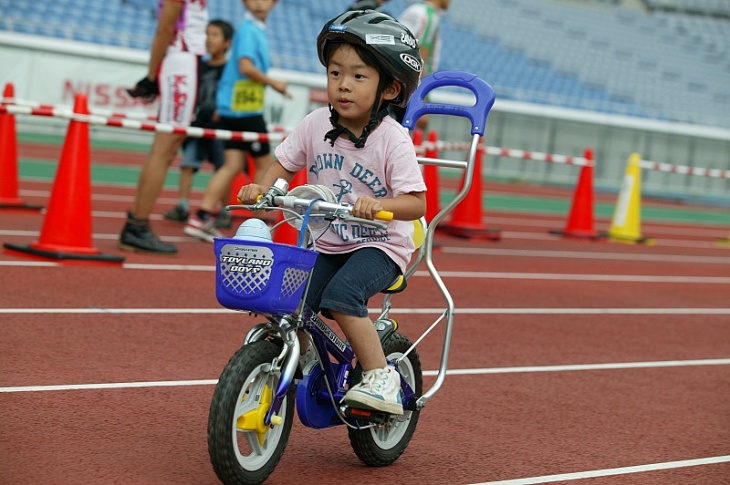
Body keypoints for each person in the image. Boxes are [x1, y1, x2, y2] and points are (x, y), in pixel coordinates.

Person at [237, 10, 426, 415]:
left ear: (389, 89)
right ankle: (299, 358)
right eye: (335, 73)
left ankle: (381, 378)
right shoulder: (315, 123)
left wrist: (381, 205)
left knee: (342, 296)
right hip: (330, 240)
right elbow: (283, 164)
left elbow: (416, 203)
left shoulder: (392, 140)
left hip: (381, 246)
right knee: (294, 299)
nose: (343, 84)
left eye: (359, 76)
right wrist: (263, 188)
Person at [184, 0, 290, 242]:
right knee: (267, 164)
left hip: (236, 109)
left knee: (231, 166)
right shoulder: (249, 29)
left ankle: (201, 216)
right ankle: (261, 220)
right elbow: (245, 66)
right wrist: (275, 84)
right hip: (245, 110)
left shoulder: (253, 29)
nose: (260, 3)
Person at [120, 0, 208, 255]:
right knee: (165, 147)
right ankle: (137, 225)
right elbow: (165, 28)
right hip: (181, 61)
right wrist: (151, 76)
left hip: (184, 60)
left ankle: (137, 224)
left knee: (166, 148)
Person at [164, 19, 235, 228]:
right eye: (207, 34)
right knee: (188, 164)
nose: (209, 39)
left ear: (227, 43)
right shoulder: (199, 65)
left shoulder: (230, 69)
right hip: (199, 123)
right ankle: (183, 205)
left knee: (223, 168)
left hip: (221, 126)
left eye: (215, 35)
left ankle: (224, 210)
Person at [392, 0, 450, 129]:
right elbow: (420, 58)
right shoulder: (428, 16)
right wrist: (422, 98)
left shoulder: (414, 10)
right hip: (409, 88)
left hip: (396, 83)